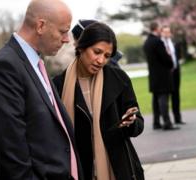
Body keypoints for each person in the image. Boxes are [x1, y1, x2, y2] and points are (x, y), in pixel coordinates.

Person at [0, 0, 83, 179]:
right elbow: (12, 154)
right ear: (41, 26)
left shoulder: (33, 62)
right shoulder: (4, 69)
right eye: (63, 31)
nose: (67, 39)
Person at [53, 22, 145, 180]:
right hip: (79, 170)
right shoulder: (57, 85)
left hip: (118, 169)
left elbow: (139, 123)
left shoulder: (119, 79)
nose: (101, 60)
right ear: (81, 47)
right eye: (97, 52)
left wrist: (131, 123)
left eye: (107, 56)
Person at [143, 21, 179, 130]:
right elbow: (165, 57)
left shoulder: (147, 42)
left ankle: (156, 122)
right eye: (159, 28)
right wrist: (171, 63)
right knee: (163, 99)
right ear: (156, 29)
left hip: (153, 75)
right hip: (162, 75)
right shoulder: (158, 42)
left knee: (155, 99)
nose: (160, 30)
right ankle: (167, 123)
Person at [161, 25, 185, 125]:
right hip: (166, 73)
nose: (167, 34)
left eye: (168, 32)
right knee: (166, 97)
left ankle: (177, 118)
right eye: (165, 32)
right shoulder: (160, 44)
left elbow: (177, 56)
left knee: (176, 95)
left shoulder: (173, 43)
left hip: (176, 71)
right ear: (161, 33)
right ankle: (166, 121)